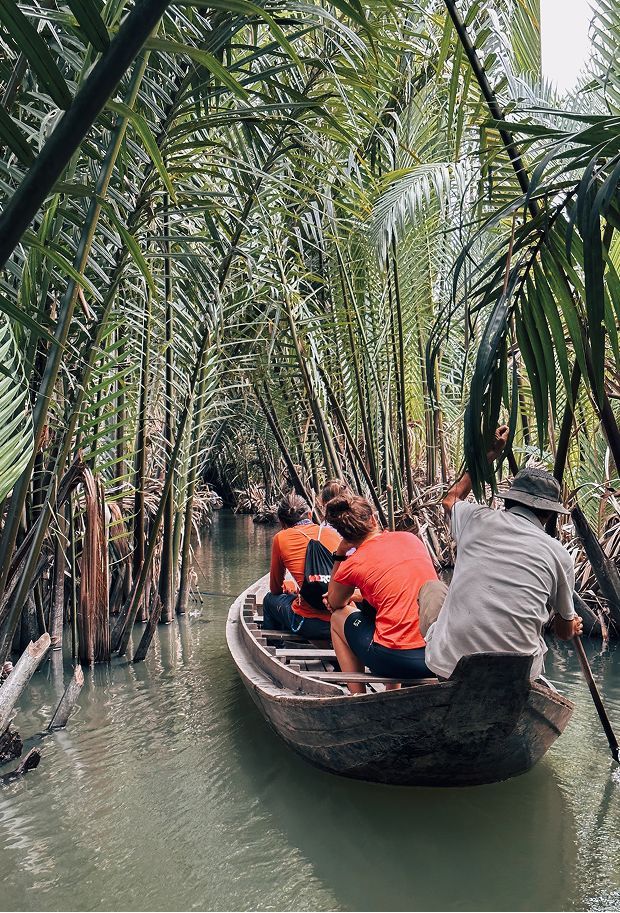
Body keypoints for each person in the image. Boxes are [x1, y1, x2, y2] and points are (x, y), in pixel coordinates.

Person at [419, 425, 583, 682]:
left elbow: (450, 499)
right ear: (549, 513)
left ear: (508, 501)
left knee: (432, 589)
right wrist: (572, 625)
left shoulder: (476, 518)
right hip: (516, 676)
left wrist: (488, 456)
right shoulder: (558, 554)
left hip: (451, 665)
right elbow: (563, 632)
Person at [325, 494, 438, 694]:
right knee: (386, 614)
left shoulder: (352, 563)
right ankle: (391, 690)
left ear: (345, 535)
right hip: (437, 655)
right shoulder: (410, 538)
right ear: (373, 519)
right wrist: (359, 596)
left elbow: (334, 602)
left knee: (337, 618)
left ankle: (357, 696)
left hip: (395, 660)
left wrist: (340, 553)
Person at [264, 493, 341, 639]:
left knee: (269, 600)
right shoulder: (332, 534)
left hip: (308, 623)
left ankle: (276, 648)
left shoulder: (281, 538)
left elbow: (275, 589)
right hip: (343, 621)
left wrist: (289, 588)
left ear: (281, 522)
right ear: (310, 514)